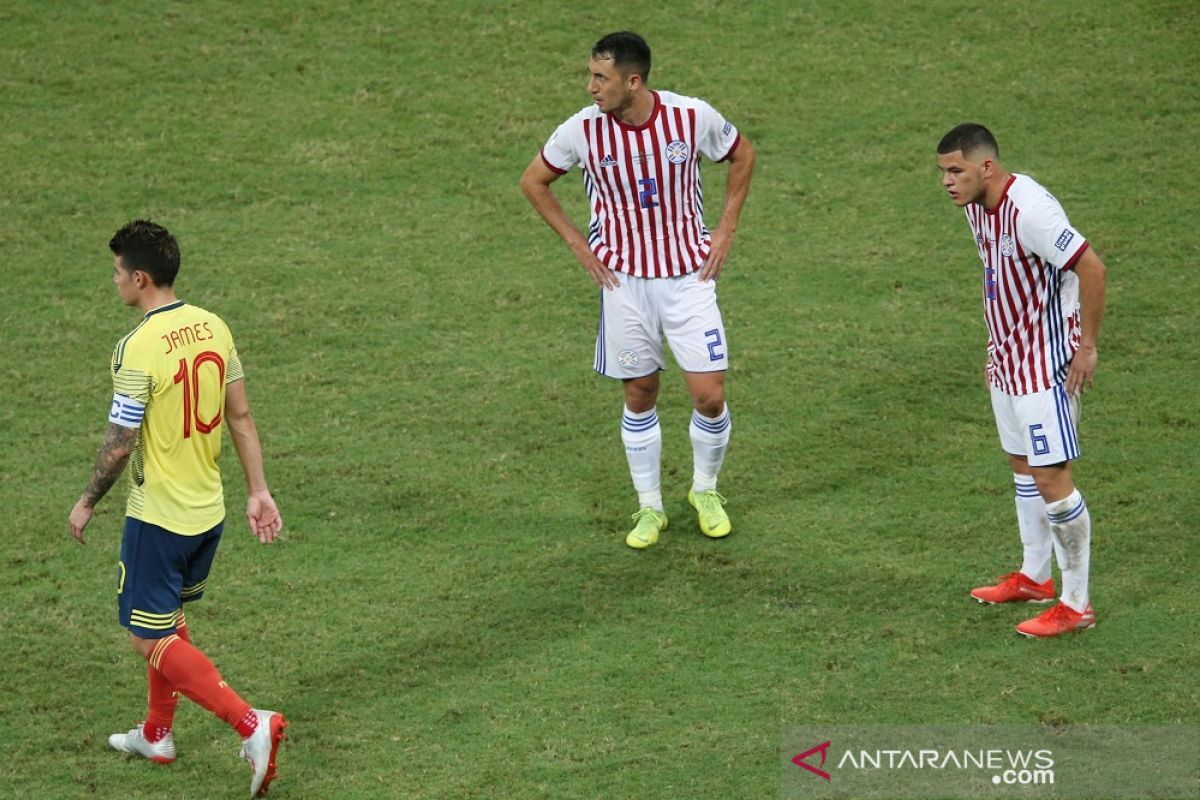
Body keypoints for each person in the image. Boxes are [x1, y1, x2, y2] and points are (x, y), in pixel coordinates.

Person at [67, 220, 288, 796]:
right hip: (207, 513)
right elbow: (240, 416)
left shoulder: (135, 348)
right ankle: (157, 734)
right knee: (167, 621)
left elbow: (120, 441)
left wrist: (88, 500)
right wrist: (258, 490)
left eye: (117, 272)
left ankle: (250, 723)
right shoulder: (214, 326)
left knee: (147, 638)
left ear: (140, 278)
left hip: (158, 517)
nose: (113, 281)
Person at [520, 31, 756, 549]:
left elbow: (742, 154)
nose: (590, 87)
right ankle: (650, 507)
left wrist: (726, 228)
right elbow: (533, 180)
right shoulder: (581, 132)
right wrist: (578, 245)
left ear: (633, 80)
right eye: (590, 75)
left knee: (709, 395)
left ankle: (705, 491)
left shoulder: (690, 117)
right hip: (622, 283)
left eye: (600, 78)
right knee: (639, 393)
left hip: (689, 278)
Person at [937, 124, 1108, 638]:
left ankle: (1076, 604)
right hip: (1006, 360)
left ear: (986, 167)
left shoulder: (1030, 211)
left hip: (1045, 366)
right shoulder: (975, 205)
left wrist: (1087, 348)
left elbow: (1092, 268)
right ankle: (1035, 578)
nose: (947, 182)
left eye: (955, 171)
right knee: (1022, 465)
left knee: (1053, 479)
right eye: (942, 172)